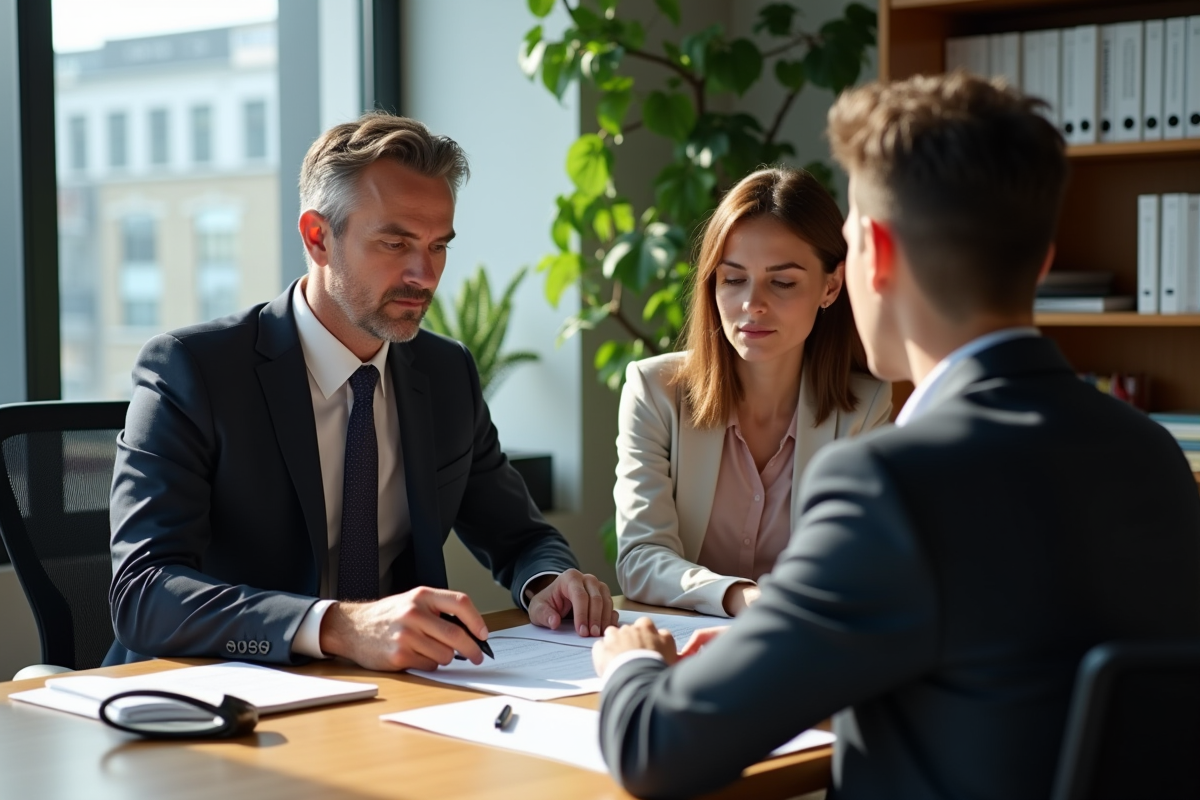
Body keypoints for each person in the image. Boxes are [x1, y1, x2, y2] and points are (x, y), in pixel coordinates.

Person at [590, 73, 1200, 799]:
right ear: (1041, 261)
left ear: (871, 257)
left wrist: (630, 662)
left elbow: (655, 748)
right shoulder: (1154, 456)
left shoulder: (888, 484)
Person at [106, 112, 616, 672]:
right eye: (395, 243)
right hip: (216, 693)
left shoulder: (446, 373)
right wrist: (337, 627)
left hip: (393, 691)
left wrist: (548, 580)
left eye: (438, 246)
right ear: (318, 238)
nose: (425, 275)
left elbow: (519, 537)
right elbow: (143, 593)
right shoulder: (193, 370)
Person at [614, 167, 890, 617]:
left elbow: (857, 566)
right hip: (683, 644)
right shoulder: (654, 392)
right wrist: (742, 598)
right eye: (733, 279)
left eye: (782, 282)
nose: (752, 304)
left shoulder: (864, 407)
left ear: (831, 286)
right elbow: (641, 558)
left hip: (800, 644)